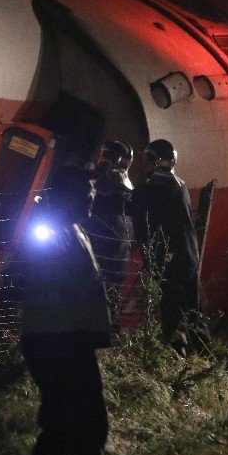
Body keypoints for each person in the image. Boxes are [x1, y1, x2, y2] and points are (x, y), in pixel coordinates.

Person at [6, 166, 125, 455]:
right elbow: (38, 283)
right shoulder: (50, 232)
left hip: (68, 340)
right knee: (67, 425)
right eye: (86, 193)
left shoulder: (70, 229)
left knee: (85, 424)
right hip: (56, 342)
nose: (92, 198)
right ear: (67, 195)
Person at [129, 139, 211, 349]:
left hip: (170, 259)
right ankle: (201, 355)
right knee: (193, 308)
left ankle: (178, 354)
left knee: (172, 310)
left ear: (151, 160)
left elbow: (132, 204)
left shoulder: (157, 186)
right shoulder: (177, 183)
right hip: (187, 254)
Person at [83, 140, 134, 330]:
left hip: (105, 253)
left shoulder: (114, 179)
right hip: (116, 255)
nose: (101, 158)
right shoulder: (124, 183)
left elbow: (99, 187)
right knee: (108, 304)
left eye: (105, 155)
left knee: (101, 304)